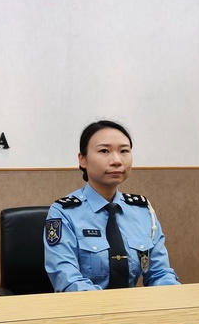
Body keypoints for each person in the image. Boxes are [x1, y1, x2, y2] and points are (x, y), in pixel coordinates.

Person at [44, 120, 179, 292]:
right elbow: (68, 280)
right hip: (86, 306)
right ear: (82, 159)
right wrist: (110, 306)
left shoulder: (142, 210)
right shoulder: (64, 212)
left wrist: (173, 296)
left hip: (135, 306)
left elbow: (160, 273)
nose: (116, 160)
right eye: (104, 151)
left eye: (124, 151)